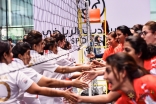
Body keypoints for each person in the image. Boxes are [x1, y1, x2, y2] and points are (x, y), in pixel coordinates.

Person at [0, 41, 79, 104]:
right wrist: (64, 92)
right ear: (5, 55)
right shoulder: (16, 70)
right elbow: (44, 85)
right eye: (10, 52)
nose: (12, 55)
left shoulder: (17, 67)